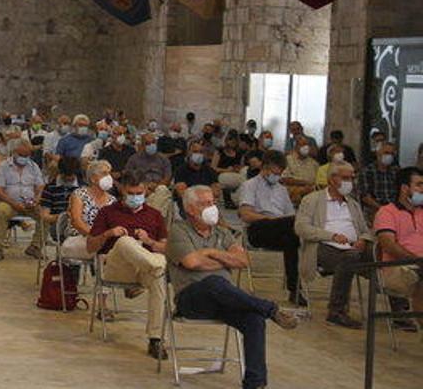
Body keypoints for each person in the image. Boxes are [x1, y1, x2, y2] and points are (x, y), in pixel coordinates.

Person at [167, 185, 298, 389]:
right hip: (191, 300)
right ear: (191, 209)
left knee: (254, 319)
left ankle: (255, 383)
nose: (212, 207)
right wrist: (224, 259)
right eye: (206, 203)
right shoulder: (179, 230)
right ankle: (270, 308)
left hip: (226, 298)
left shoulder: (222, 232)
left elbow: (243, 261)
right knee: (214, 282)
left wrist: (211, 253)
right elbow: (191, 263)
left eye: (213, 202)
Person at [87, 172, 168, 360]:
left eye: (139, 192)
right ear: (123, 191)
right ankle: (159, 266)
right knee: (125, 241)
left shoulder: (155, 215)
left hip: (144, 268)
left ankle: (155, 339)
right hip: (116, 267)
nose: (135, 197)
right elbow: (90, 247)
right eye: (131, 193)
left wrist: (149, 240)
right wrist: (108, 234)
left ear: (146, 191)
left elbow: (165, 247)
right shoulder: (107, 212)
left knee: (158, 278)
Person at [295, 161, 372, 328]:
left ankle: (398, 309)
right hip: (323, 246)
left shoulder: (353, 204)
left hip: (353, 247)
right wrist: (332, 236)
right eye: (345, 178)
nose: (350, 182)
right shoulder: (312, 200)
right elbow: (301, 228)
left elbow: (366, 230)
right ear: (331, 179)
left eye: (352, 178)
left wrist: (363, 239)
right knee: (350, 259)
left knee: (381, 253)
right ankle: (336, 311)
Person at [238, 150, 305, 306]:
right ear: (265, 168)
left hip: (281, 230)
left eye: (280, 173)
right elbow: (246, 214)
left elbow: (290, 216)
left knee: (293, 239)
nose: (277, 176)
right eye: (275, 172)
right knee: (293, 229)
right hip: (258, 228)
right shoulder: (250, 185)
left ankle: (294, 289)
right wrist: (271, 219)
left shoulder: (281, 190)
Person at [373, 167, 423, 320]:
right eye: (419, 185)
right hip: (397, 268)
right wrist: (418, 261)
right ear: (404, 188)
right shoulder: (387, 212)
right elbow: (389, 245)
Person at [0, 139, 45, 262]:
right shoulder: (4, 166)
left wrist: (36, 199)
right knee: (0, 211)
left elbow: (40, 186)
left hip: (30, 203)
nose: (24, 158)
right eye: (21, 155)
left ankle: (35, 246)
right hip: (10, 202)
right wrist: (14, 203)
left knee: (46, 214)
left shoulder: (33, 166)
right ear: (14, 153)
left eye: (27, 155)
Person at [51, 160, 116, 260]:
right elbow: (76, 222)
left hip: (104, 238)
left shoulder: (112, 200)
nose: (109, 177)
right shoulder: (79, 195)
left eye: (109, 173)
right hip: (80, 236)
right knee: (106, 251)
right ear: (93, 178)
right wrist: (96, 236)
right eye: (104, 173)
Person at [38, 157, 81, 244]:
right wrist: (63, 217)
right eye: (67, 175)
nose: (70, 178)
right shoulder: (50, 188)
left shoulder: (83, 186)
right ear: (61, 173)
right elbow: (45, 216)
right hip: (58, 225)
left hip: (80, 223)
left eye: (72, 175)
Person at [360, 142, 399, 215]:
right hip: (374, 210)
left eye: (392, 154)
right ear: (378, 153)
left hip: (394, 210)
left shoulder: (396, 171)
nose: (389, 156)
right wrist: (382, 209)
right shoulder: (367, 171)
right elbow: (365, 197)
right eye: (386, 153)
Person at [211, 133, 244, 208]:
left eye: (234, 140)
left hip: (235, 174)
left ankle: (236, 200)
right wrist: (226, 170)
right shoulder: (220, 151)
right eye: (230, 139)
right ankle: (234, 200)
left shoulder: (239, 153)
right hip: (221, 174)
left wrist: (237, 169)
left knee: (244, 175)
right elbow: (213, 167)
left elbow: (241, 166)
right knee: (242, 180)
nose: (232, 142)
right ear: (226, 141)